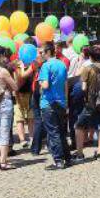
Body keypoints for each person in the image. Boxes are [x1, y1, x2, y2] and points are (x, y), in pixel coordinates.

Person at [38, 41, 72, 169]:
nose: (40, 54)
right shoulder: (62, 64)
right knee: (62, 132)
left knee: (53, 133)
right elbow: (65, 85)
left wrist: (40, 82)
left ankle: (58, 160)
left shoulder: (46, 66)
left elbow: (45, 85)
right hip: (61, 102)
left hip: (49, 103)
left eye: (42, 52)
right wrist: (66, 102)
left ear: (48, 52)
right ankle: (68, 158)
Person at [75, 45, 100, 160]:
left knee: (79, 125)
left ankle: (79, 153)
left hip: (91, 102)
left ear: (90, 57)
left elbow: (84, 88)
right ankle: (99, 152)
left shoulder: (87, 69)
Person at [13, 59, 34, 148]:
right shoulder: (16, 68)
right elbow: (18, 80)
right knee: (19, 118)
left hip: (29, 95)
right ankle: (23, 139)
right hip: (19, 95)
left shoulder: (32, 67)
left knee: (30, 118)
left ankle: (32, 138)